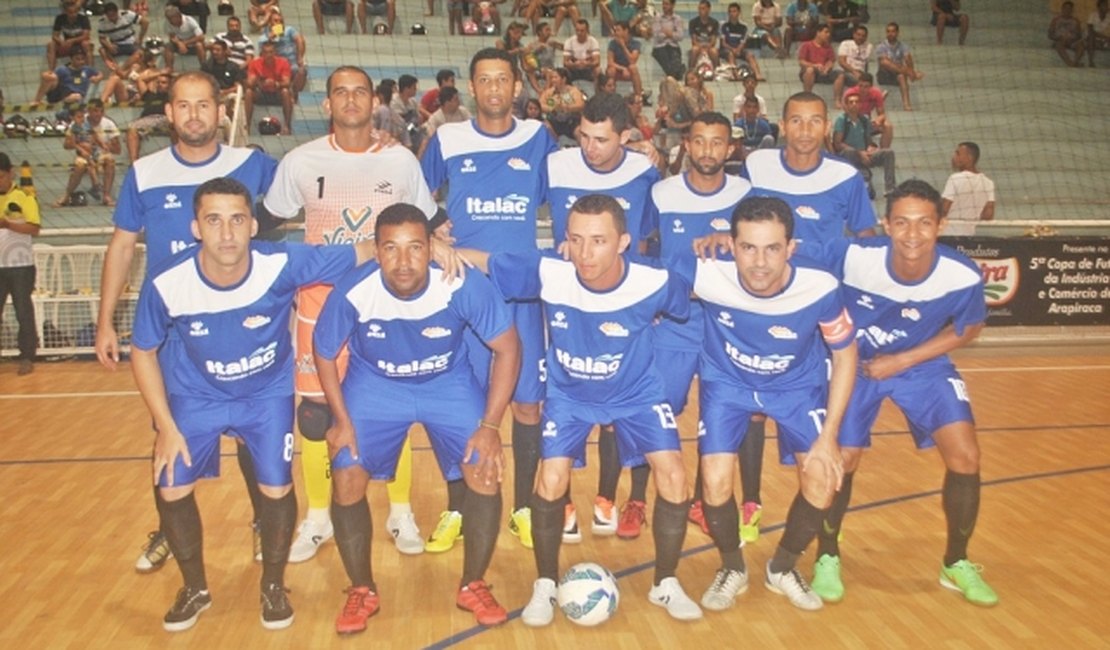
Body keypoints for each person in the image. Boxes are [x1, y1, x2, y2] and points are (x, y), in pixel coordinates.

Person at [129, 177, 374, 632]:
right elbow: (142, 350)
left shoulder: (280, 262)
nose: (227, 233)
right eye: (214, 220)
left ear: (254, 225)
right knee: (170, 483)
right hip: (195, 395)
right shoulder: (168, 281)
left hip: (265, 395)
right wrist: (165, 424)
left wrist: (428, 243)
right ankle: (195, 588)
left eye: (237, 219)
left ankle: (274, 585)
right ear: (196, 227)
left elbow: (364, 248)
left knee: (276, 489)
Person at [459, 194, 703, 625]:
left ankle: (665, 581)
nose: (584, 254)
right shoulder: (551, 272)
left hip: (637, 393)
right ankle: (546, 584)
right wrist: (440, 248)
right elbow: (487, 260)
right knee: (551, 479)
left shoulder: (655, 281)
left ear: (623, 241)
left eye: (598, 241)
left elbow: (692, 303)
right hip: (570, 396)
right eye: (575, 240)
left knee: (675, 475)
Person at [96, 71, 278, 575]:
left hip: (244, 325)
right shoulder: (145, 172)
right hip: (175, 338)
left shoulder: (254, 165)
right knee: (168, 434)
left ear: (221, 112)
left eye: (204, 105)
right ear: (170, 114)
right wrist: (105, 319)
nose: (195, 114)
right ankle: (169, 530)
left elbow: (311, 188)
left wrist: (375, 148)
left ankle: (266, 522)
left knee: (251, 436)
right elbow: (122, 245)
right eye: (184, 105)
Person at [263, 66, 442, 562]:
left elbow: (430, 223)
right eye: (339, 92)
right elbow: (265, 220)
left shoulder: (401, 160)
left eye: (359, 92)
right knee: (316, 417)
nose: (349, 100)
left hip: (387, 305)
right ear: (327, 105)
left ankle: (400, 509)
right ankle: (317, 517)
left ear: (373, 102)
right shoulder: (300, 162)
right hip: (320, 305)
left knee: (394, 408)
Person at [314, 204, 520, 633]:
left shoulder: (461, 283)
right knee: (347, 470)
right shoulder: (355, 290)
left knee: (484, 469)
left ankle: (473, 583)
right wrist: (341, 420)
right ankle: (361, 589)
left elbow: (508, 348)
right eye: (391, 248)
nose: (403, 262)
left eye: (414, 248)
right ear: (376, 250)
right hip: (376, 385)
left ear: (432, 248)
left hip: (447, 382)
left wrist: (490, 427)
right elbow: (324, 350)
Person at [805, 179, 998, 608]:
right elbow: (787, 252)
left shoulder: (961, 274)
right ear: (886, 225)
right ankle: (828, 556)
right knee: (844, 457)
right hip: (856, 364)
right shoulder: (853, 256)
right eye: (903, 223)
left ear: (941, 224)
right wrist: (728, 240)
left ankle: (956, 561)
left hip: (920, 365)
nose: (913, 234)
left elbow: (969, 327)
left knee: (966, 455)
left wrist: (904, 360)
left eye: (924, 223)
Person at [686, 195, 856, 612]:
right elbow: (631, 275)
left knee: (822, 477)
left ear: (791, 248)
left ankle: (782, 567)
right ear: (731, 243)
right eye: (748, 247)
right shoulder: (704, 272)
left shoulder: (820, 287)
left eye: (772, 248)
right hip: (728, 383)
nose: (759, 262)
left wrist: (830, 436)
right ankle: (732, 567)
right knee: (714, 479)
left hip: (796, 387)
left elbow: (846, 355)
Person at [422, 48, 559, 552]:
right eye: (485, 80)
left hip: (522, 292)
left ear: (516, 87)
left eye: (503, 79)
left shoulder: (539, 139)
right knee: (458, 406)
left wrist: (641, 152)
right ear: (472, 88)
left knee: (527, 407)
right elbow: (415, 195)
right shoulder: (448, 138)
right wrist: (435, 230)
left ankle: (523, 506)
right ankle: (457, 508)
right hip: (461, 291)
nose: (495, 88)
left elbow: (575, 182)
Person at [648, 112, 752, 540]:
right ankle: (644, 499)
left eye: (717, 143)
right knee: (657, 409)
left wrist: (731, 239)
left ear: (730, 149)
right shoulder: (661, 193)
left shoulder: (747, 194)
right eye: (699, 141)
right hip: (673, 322)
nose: (708, 150)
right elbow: (643, 250)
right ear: (686, 145)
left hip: (726, 322)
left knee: (722, 412)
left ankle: (707, 502)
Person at [743, 91, 876, 248]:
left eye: (815, 121)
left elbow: (866, 237)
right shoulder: (756, 165)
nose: (805, 130)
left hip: (823, 271)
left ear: (827, 128)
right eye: (796, 120)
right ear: (782, 126)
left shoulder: (846, 176)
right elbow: (735, 223)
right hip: (766, 270)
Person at [0, 152, 41, 377]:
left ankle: (26, 356)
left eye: (1, 177)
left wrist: (7, 224)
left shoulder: (25, 196)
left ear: (10, 173)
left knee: (22, 310)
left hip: (20, 265)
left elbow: (34, 228)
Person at [832, 92, 895, 198]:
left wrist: (871, 148)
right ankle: (863, 179)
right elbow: (837, 144)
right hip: (848, 156)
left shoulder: (864, 120)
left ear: (860, 105)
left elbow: (869, 139)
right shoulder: (841, 120)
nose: (854, 104)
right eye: (851, 102)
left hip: (864, 154)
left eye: (856, 102)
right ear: (846, 105)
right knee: (849, 152)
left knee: (888, 153)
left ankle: (890, 189)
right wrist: (859, 153)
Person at [941, 142, 995, 236]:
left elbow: (943, 210)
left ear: (970, 157)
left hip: (947, 235)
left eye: (958, 153)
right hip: (968, 236)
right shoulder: (988, 183)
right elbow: (988, 216)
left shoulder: (955, 178)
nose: (954, 157)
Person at [244, 40, 294, 135]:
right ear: (262, 53)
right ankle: (248, 126)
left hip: (277, 93)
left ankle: (287, 125)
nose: (269, 55)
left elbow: (287, 82)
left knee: (286, 92)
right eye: (266, 52)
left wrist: (276, 84)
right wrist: (257, 81)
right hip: (261, 93)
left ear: (275, 52)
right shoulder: (254, 63)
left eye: (271, 52)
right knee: (248, 92)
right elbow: (249, 83)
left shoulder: (283, 63)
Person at [124, 70, 173, 160]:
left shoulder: (173, 96)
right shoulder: (149, 95)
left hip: (164, 119)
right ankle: (134, 164)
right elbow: (140, 80)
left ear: (170, 85)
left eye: (164, 82)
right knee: (131, 130)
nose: (160, 84)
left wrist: (169, 74)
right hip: (147, 121)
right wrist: (159, 73)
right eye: (158, 82)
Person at [875, 22, 923, 111]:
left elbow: (908, 59)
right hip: (884, 75)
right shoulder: (881, 46)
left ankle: (906, 104)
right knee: (885, 62)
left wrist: (910, 69)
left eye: (893, 31)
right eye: (888, 31)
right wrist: (911, 73)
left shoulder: (903, 46)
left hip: (897, 74)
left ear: (897, 33)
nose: (890, 34)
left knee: (901, 76)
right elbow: (884, 63)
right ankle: (911, 74)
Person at [259, 8, 308, 97]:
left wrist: (300, 57)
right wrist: (271, 37)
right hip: (277, 67)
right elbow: (262, 53)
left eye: (280, 21)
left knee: (302, 71)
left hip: (292, 63)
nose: (279, 23)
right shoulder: (264, 36)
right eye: (276, 21)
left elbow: (300, 40)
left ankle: (294, 94)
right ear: (270, 23)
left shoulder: (289, 30)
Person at [33, 50, 103, 106]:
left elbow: (100, 73)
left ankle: (63, 103)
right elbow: (48, 77)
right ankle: (37, 100)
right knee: (49, 77)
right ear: (71, 59)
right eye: (78, 59)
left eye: (82, 59)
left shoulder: (87, 69)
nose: (81, 62)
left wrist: (98, 78)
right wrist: (45, 75)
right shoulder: (62, 69)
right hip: (60, 95)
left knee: (76, 96)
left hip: (76, 97)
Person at [797, 25, 844, 108]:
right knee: (810, 70)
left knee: (840, 75)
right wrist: (814, 66)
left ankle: (837, 100)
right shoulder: (806, 45)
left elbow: (831, 60)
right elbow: (801, 62)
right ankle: (808, 96)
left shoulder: (828, 47)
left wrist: (827, 67)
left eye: (829, 32)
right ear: (818, 33)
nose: (828, 35)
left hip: (823, 72)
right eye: (826, 32)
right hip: (809, 71)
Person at [841, 72, 892, 148]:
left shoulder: (876, 93)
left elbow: (882, 114)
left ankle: (883, 152)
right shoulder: (850, 94)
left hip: (867, 122)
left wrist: (878, 120)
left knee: (888, 126)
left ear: (871, 86)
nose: (862, 89)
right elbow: (848, 114)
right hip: (852, 123)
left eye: (866, 87)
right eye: (860, 86)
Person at [98, 1, 149, 72]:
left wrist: (140, 38)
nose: (112, 18)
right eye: (109, 16)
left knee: (140, 53)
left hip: (130, 42)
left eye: (113, 15)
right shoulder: (102, 22)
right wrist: (109, 45)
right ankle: (113, 66)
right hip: (116, 45)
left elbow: (145, 22)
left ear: (117, 12)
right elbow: (101, 38)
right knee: (102, 50)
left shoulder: (126, 14)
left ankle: (121, 70)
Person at [538, 67, 586, 140]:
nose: (553, 80)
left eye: (555, 77)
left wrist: (566, 107)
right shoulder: (549, 92)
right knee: (544, 126)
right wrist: (552, 108)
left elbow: (581, 105)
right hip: (554, 121)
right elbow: (539, 105)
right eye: (551, 78)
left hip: (571, 121)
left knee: (579, 131)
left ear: (563, 79)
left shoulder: (573, 91)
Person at [720, 3, 764, 81]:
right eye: (730, 11)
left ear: (739, 12)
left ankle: (757, 74)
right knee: (730, 54)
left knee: (750, 55)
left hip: (739, 49)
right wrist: (733, 49)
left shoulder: (744, 26)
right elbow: (723, 43)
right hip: (726, 49)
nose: (732, 13)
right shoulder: (724, 25)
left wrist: (738, 49)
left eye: (734, 11)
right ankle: (735, 75)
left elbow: (743, 42)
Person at [47, 1, 92, 71]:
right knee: (51, 44)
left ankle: (90, 70)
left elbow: (86, 35)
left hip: (79, 43)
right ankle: (51, 71)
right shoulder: (60, 18)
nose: (73, 15)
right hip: (66, 44)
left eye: (75, 12)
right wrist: (61, 42)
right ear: (66, 12)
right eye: (70, 13)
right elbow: (54, 35)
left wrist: (72, 41)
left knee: (86, 44)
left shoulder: (83, 18)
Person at [607, 20, 644, 98]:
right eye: (615, 30)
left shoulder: (635, 43)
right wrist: (623, 68)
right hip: (617, 69)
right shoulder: (612, 43)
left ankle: (639, 96)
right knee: (611, 70)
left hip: (629, 71)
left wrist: (623, 45)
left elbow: (632, 61)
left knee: (633, 67)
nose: (616, 33)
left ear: (626, 31)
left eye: (618, 30)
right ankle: (610, 97)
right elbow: (610, 62)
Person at [651, 0, 687, 81]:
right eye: (663, 4)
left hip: (673, 47)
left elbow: (680, 36)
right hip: (660, 47)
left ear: (673, 5)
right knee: (668, 63)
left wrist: (666, 32)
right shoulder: (657, 18)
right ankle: (678, 72)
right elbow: (656, 35)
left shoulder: (677, 19)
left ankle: (674, 74)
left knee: (675, 57)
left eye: (667, 4)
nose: (664, 6)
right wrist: (671, 33)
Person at [164, 5, 207, 70]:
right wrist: (179, 43)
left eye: (172, 19)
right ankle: (169, 68)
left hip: (193, 43)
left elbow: (201, 37)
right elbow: (172, 37)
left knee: (199, 45)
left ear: (179, 16)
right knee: (168, 46)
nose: (171, 22)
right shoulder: (168, 24)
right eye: (169, 19)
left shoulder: (189, 21)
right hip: (179, 44)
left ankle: (204, 68)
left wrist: (184, 43)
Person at [563, 18, 601, 85]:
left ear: (587, 30)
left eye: (582, 31)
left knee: (598, 70)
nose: (579, 33)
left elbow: (597, 61)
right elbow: (565, 62)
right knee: (563, 71)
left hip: (588, 69)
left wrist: (587, 64)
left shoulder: (593, 41)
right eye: (577, 30)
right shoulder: (569, 41)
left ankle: (597, 93)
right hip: (573, 69)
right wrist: (574, 64)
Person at [1050, 1, 1087, 67]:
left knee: (1081, 46)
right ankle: (1069, 63)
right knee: (1058, 45)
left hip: (1072, 41)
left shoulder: (1076, 21)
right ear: (1062, 9)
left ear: (1072, 10)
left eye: (1069, 8)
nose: (1067, 10)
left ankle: (1075, 62)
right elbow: (1050, 34)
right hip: (1060, 40)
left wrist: (1072, 39)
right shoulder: (1056, 20)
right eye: (1066, 8)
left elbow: (1079, 35)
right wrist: (1059, 37)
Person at [688, 0, 720, 70]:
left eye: (703, 8)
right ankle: (691, 70)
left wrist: (707, 48)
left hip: (709, 46)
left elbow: (713, 41)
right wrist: (701, 48)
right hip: (698, 45)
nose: (700, 11)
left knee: (714, 51)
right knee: (694, 49)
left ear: (708, 9)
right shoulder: (693, 22)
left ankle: (716, 71)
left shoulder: (714, 22)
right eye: (699, 8)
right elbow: (694, 41)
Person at [1087, 0, 1109, 67]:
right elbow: (1090, 30)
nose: (1106, 7)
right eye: (1104, 5)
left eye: (1107, 5)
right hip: (1089, 37)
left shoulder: (1109, 16)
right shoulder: (1093, 15)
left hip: (1101, 39)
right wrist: (1105, 37)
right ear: (1099, 7)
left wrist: (1106, 38)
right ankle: (1091, 62)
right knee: (1091, 37)